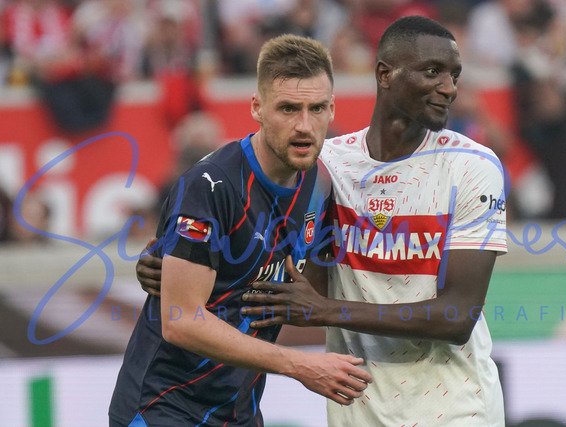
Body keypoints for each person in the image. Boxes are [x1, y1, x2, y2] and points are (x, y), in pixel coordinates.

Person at [138, 16, 508, 426]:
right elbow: (275, 260)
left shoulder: (472, 166)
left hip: (455, 408)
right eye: (433, 72)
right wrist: (174, 262)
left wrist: (327, 310)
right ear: (384, 74)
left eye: (455, 75)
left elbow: (457, 316)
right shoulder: (326, 165)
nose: (449, 88)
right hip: (356, 406)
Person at [109, 34, 372, 427]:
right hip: (162, 408)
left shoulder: (320, 186)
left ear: (332, 109)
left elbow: (304, 291)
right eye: (288, 108)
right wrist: (300, 365)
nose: (304, 125)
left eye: (316, 108)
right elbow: (180, 320)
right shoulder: (211, 186)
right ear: (257, 108)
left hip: (238, 412)